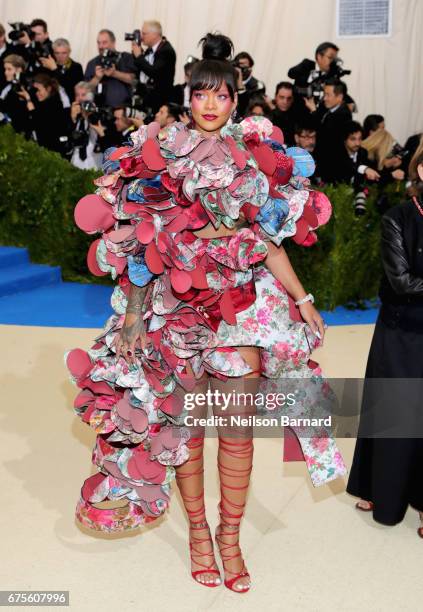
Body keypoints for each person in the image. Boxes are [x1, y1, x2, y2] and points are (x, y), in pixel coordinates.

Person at [66, 32, 346, 593]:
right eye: (201, 93)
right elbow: (140, 251)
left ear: (236, 101)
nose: (211, 104)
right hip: (178, 314)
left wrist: (302, 298)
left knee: (237, 432)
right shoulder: (160, 157)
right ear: (188, 97)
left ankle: (230, 538)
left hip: (241, 311)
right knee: (187, 429)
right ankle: (197, 533)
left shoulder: (254, 158)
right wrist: (132, 318)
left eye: (222, 94)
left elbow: (266, 240)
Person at [347, 151, 423, 535]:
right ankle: (381, 489)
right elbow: (402, 282)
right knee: (395, 409)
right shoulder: (398, 218)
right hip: (402, 329)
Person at [307, 80, 352, 182]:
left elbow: (326, 133)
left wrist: (314, 111)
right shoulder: (329, 109)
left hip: (333, 166)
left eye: (328, 95)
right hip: (323, 163)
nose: (325, 98)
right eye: (324, 94)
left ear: (339, 97)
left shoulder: (344, 114)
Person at [18, 72, 71, 155]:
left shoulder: (55, 105)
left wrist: (30, 105)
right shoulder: (42, 104)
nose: (36, 93)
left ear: (49, 89)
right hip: (43, 150)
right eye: (35, 90)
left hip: (53, 152)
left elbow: (41, 125)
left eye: (39, 90)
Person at [131, 20, 176, 114]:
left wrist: (139, 57)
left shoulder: (166, 51)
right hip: (145, 100)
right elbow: (139, 71)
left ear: (155, 34)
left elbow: (154, 72)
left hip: (158, 103)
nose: (141, 37)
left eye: (144, 33)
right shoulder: (149, 50)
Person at [85, 29, 136, 108]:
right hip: (101, 112)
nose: (100, 46)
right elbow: (86, 90)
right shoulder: (92, 63)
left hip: (124, 111)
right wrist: (97, 78)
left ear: (113, 42)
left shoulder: (126, 57)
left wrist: (114, 73)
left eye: (104, 42)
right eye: (98, 43)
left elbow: (134, 81)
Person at [39, 38, 84, 103]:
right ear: (53, 53)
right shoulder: (48, 66)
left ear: (69, 52)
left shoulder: (76, 67)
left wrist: (55, 69)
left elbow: (69, 88)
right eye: (57, 53)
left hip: (70, 105)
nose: (60, 56)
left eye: (64, 53)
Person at [0, 54, 31, 135]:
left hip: (17, 134)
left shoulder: (24, 87)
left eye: (9, 69)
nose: (5, 72)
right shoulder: (7, 85)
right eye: (5, 69)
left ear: (19, 70)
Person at [271, 81, 308, 146]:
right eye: (282, 97)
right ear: (275, 96)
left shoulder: (298, 117)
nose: (285, 102)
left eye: (289, 98)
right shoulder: (267, 115)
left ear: (293, 99)